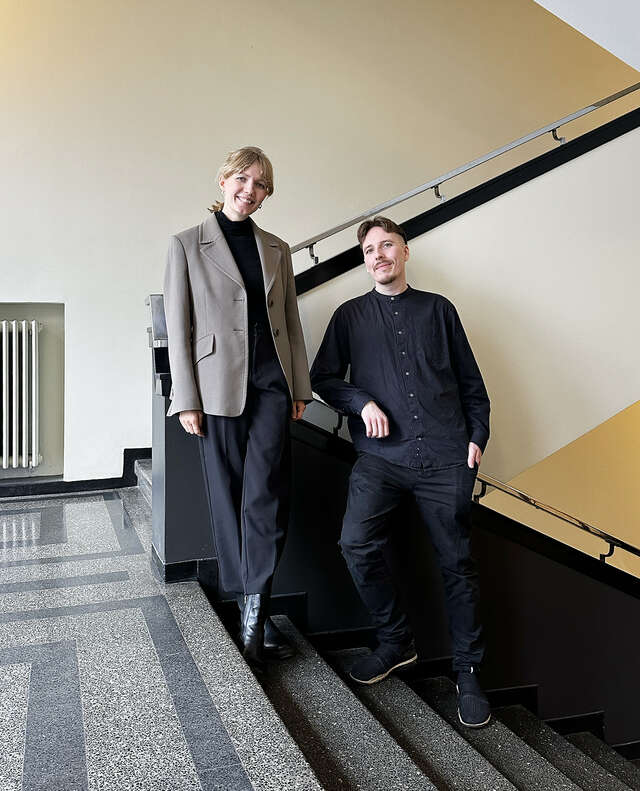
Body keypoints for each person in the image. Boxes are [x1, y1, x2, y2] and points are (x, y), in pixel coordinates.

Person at [310, 215, 491, 727]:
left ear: (404, 252)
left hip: (446, 458)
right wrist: (359, 399)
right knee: (354, 543)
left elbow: (471, 385)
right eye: (370, 250)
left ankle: (469, 670)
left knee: (458, 567)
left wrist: (476, 438)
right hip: (380, 460)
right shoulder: (348, 317)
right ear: (365, 261)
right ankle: (396, 641)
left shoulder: (439, 310)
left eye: (387, 245)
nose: (378, 255)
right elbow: (322, 378)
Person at [164, 146, 312, 670]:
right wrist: (188, 398)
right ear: (224, 179)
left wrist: (299, 385)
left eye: (261, 185)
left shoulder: (277, 247)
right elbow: (178, 327)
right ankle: (252, 601)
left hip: (271, 383)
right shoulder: (187, 244)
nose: (250, 190)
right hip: (216, 386)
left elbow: (291, 321)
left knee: (265, 494)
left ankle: (253, 612)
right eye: (243, 179)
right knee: (227, 496)